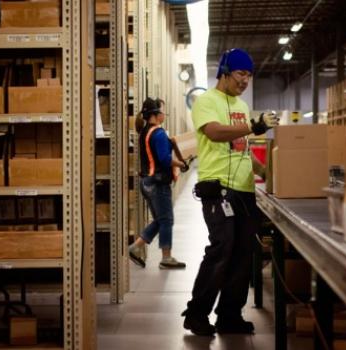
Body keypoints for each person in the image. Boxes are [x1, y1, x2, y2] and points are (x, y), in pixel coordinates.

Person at [182, 48, 279, 336]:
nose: (245, 80)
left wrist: (267, 172)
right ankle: (197, 314)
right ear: (224, 72)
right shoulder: (205, 101)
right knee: (221, 249)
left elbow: (243, 149)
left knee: (242, 254)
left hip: (244, 190)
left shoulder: (241, 106)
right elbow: (214, 132)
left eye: (249, 75)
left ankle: (229, 315)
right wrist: (251, 126)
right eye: (240, 73)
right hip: (218, 188)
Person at [128, 97, 189, 269]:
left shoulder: (145, 132)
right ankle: (166, 258)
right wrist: (181, 164)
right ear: (155, 114)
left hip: (147, 182)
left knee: (160, 220)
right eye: (162, 111)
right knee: (167, 220)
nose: (164, 114)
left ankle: (134, 247)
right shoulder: (159, 133)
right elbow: (164, 159)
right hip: (158, 183)